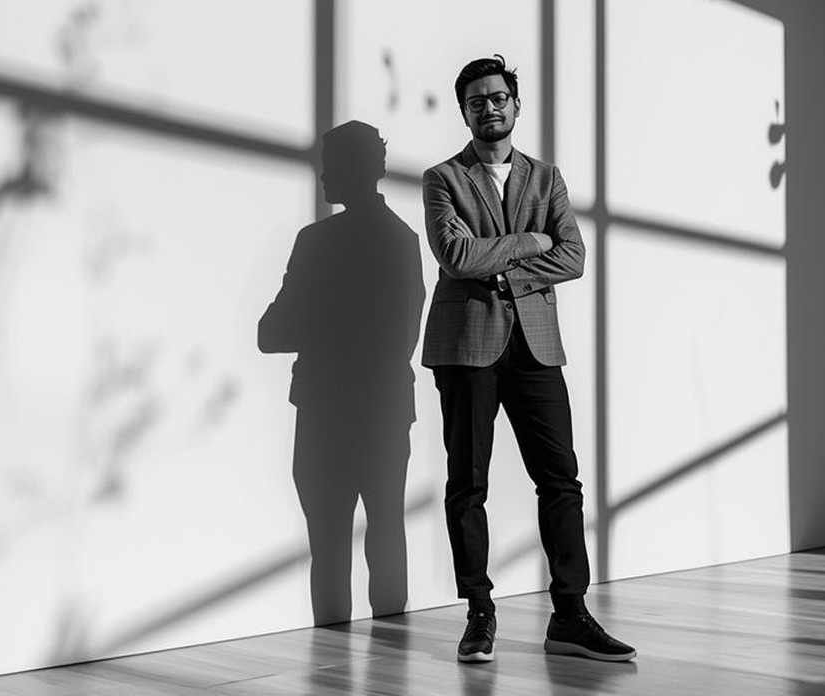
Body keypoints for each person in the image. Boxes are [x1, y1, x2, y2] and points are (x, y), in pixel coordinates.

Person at [421, 55, 636, 663]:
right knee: (469, 483)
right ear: (464, 111)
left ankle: (569, 614)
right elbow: (456, 257)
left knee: (561, 480)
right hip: (466, 347)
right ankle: (479, 612)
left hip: (536, 344)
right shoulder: (443, 179)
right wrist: (529, 243)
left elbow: (574, 257)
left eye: (499, 97)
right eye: (476, 100)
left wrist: (503, 256)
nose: (489, 107)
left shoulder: (547, 178)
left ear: (516, 105)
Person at [260, 121, 424, 625]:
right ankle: (391, 662)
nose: (324, 173)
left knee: (329, 551)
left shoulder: (316, 242)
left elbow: (271, 332)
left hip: (326, 413)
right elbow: (401, 335)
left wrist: (319, 324)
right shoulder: (402, 239)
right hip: (383, 410)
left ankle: (331, 661)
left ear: (353, 168)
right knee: (386, 536)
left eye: (329, 163)